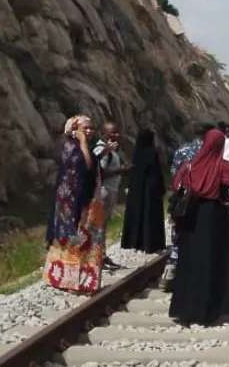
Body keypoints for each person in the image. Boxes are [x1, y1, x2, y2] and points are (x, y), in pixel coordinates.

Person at [169, 129, 229, 325]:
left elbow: (176, 185)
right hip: (214, 218)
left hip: (190, 218)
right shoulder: (222, 167)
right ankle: (210, 310)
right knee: (211, 262)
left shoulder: (189, 166)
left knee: (189, 262)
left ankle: (185, 309)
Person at [44, 115, 104, 293]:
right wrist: (84, 144)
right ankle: (68, 281)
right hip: (70, 206)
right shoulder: (71, 148)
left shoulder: (83, 149)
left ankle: (78, 281)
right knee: (73, 242)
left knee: (83, 242)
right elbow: (86, 169)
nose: (89, 131)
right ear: (74, 130)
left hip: (82, 204)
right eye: (85, 128)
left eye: (91, 128)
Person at [160, 121, 216, 291]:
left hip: (182, 198)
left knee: (179, 235)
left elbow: (173, 174)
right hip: (203, 200)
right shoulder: (211, 152)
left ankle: (171, 269)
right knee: (199, 238)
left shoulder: (182, 150)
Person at [121, 128, 166, 253]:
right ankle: (151, 244)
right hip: (151, 192)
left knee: (138, 215)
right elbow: (156, 173)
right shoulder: (152, 152)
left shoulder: (137, 153)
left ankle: (135, 243)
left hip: (137, 191)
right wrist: (161, 189)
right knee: (150, 216)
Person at [94, 122, 129, 271]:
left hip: (111, 190)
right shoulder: (102, 149)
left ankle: (102, 255)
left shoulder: (111, 150)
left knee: (103, 225)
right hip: (104, 191)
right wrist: (120, 171)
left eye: (117, 132)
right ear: (103, 134)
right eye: (112, 133)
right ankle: (98, 257)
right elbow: (100, 172)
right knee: (99, 226)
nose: (115, 135)